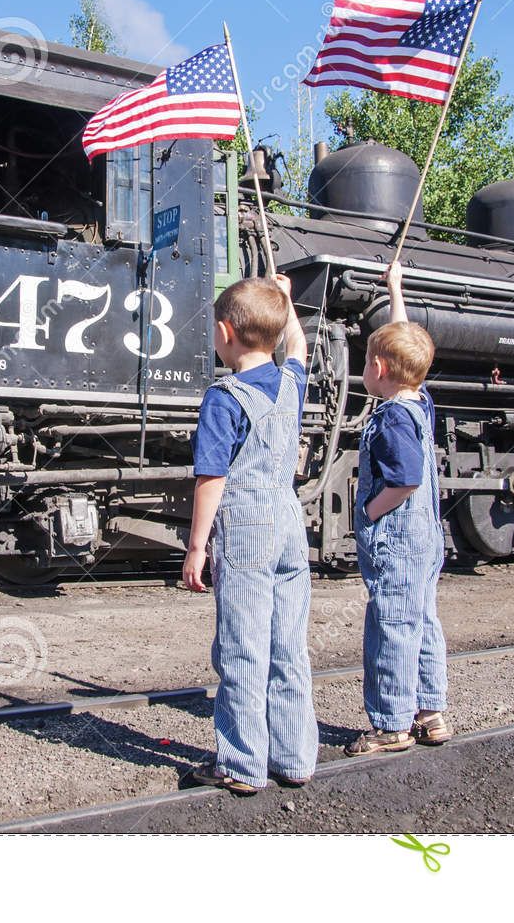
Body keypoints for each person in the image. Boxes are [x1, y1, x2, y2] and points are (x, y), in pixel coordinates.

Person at [182, 274, 318, 794]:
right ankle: (295, 757)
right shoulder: (292, 382)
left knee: (242, 646)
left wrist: (197, 547)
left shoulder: (223, 398)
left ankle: (241, 764)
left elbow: (211, 479)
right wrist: (286, 301)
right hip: (287, 522)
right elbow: (299, 345)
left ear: (224, 332)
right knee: (288, 645)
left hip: (246, 529)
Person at [345, 259, 452, 756]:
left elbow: (406, 479)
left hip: (397, 542)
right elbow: (406, 344)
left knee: (391, 626)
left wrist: (369, 511)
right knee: (422, 621)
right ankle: (430, 713)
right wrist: (396, 289)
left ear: (379, 370)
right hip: (426, 542)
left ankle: (390, 724)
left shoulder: (390, 416)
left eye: (367, 361)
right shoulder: (418, 400)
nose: (363, 368)